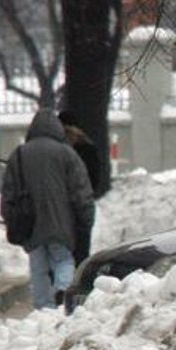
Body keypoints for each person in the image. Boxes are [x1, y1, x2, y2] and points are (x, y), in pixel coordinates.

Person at [0, 108, 95, 310]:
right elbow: (81, 191)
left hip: (30, 223)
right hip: (61, 223)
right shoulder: (67, 154)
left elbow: (9, 194)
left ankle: (43, 307)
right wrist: (86, 218)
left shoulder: (19, 155)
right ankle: (62, 292)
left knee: (38, 268)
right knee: (63, 260)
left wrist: (10, 219)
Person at [57, 110, 101, 264]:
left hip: (59, 207)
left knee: (61, 256)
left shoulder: (57, 149)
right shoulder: (87, 147)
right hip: (82, 204)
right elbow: (95, 178)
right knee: (81, 253)